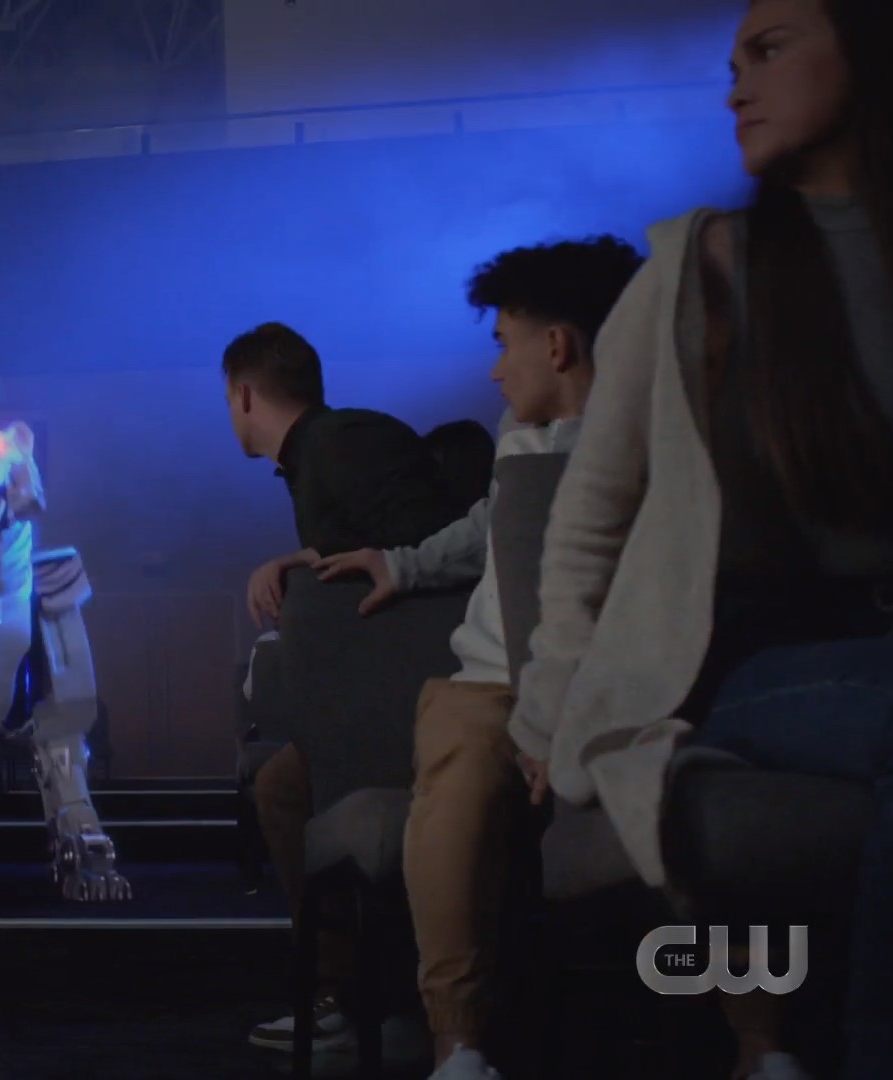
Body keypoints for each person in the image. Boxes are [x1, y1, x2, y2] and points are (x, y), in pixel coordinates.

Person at [510, 2, 893, 1076]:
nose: (736, 87)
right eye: (732, 60)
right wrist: (549, 711)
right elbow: (589, 522)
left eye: (770, 50)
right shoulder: (699, 271)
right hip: (759, 662)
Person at [314, 237, 646, 1080]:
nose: (496, 370)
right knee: (462, 748)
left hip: (615, 684)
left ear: (558, 346)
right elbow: (488, 527)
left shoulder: (648, 441)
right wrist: (403, 564)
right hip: (492, 686)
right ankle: (458, 1048)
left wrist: (566, 712)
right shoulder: (515, 437)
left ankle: (760, 1044)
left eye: (504, 343)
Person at [224, 321, 474, 1058]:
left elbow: (423, 544)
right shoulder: (321, 454)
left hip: (415, 701)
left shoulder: (343, 442)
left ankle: (360, 997)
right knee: (281, 786)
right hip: (389, 700)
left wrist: (310, 563)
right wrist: (299, 559)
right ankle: (353, 993)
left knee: (288, 787)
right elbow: (368, 542)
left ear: (244, 396)